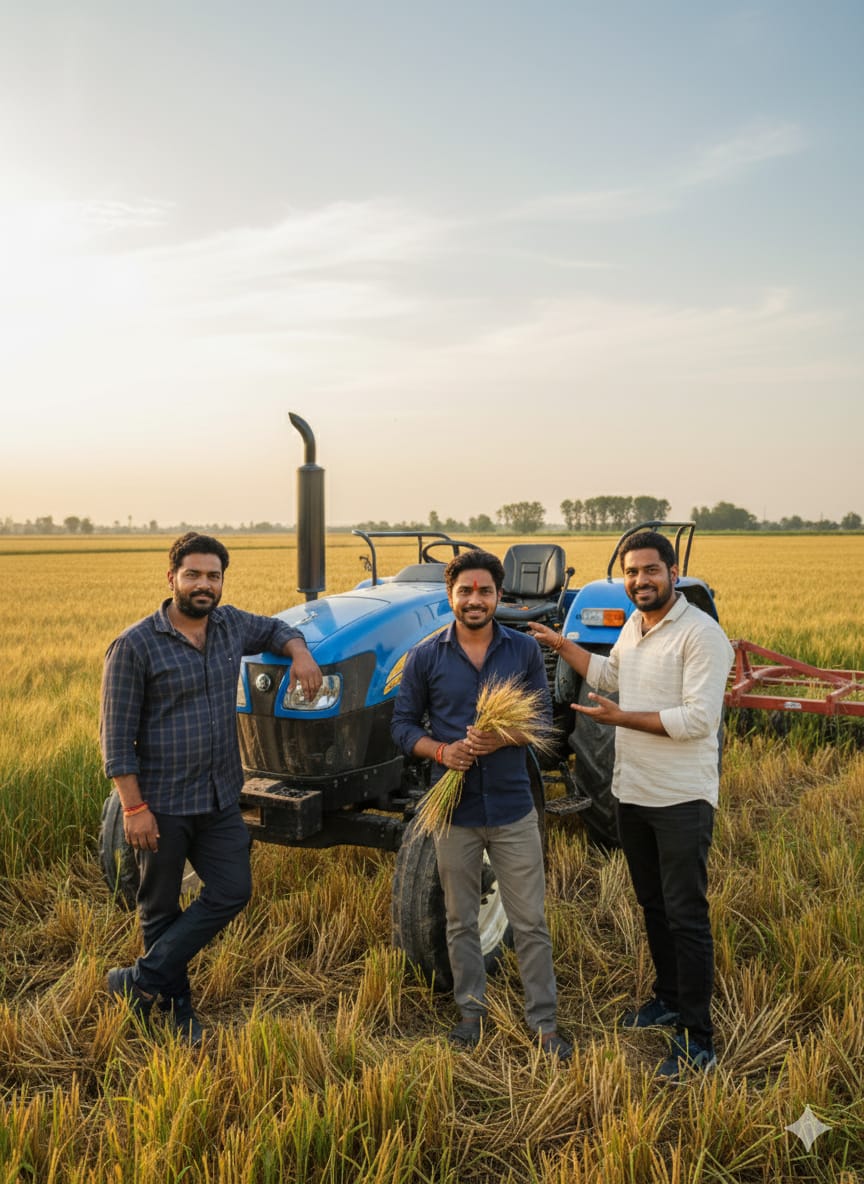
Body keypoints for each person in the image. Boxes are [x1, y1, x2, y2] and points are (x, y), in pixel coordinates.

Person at [100, 531, 322, 1043]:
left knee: (231, 891)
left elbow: (275, 627)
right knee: (160, 908)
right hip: (163, 802)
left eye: (213, 576)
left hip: (221, 796)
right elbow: (115, 740)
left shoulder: (228, 625)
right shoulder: (135, 646)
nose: (204, 585)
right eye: (194, 574)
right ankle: (178, 1011)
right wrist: (134, 809)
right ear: (172, 577)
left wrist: (299, 652)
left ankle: (138, 982)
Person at [528, 530, 733, 1079]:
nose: (640, 580)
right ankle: (667, 998)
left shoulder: (701, 635)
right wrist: (560, 645)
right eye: (632, 572)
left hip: (681, 797)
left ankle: (698, 1037)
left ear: (672, 572)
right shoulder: (636, 629)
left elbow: (697, 720)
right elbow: (611, 675)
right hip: (633, 792)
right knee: (653, 906)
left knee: (687, 916)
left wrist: (621, 720)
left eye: (650, 570)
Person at [391, 550, 571, 1060]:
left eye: (485, 591)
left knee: (530, 920)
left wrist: (500, 737)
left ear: (498, 596)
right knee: (459, 918)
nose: (475, 599)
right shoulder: (425, 657)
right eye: (465, 591)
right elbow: (402, 727)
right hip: (455, 812)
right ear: (451, 595)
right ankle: (471, 1012)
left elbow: (541, 722)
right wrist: (443, 752)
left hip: (514, 810)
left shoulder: (522, 652)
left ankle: (545, 1023)